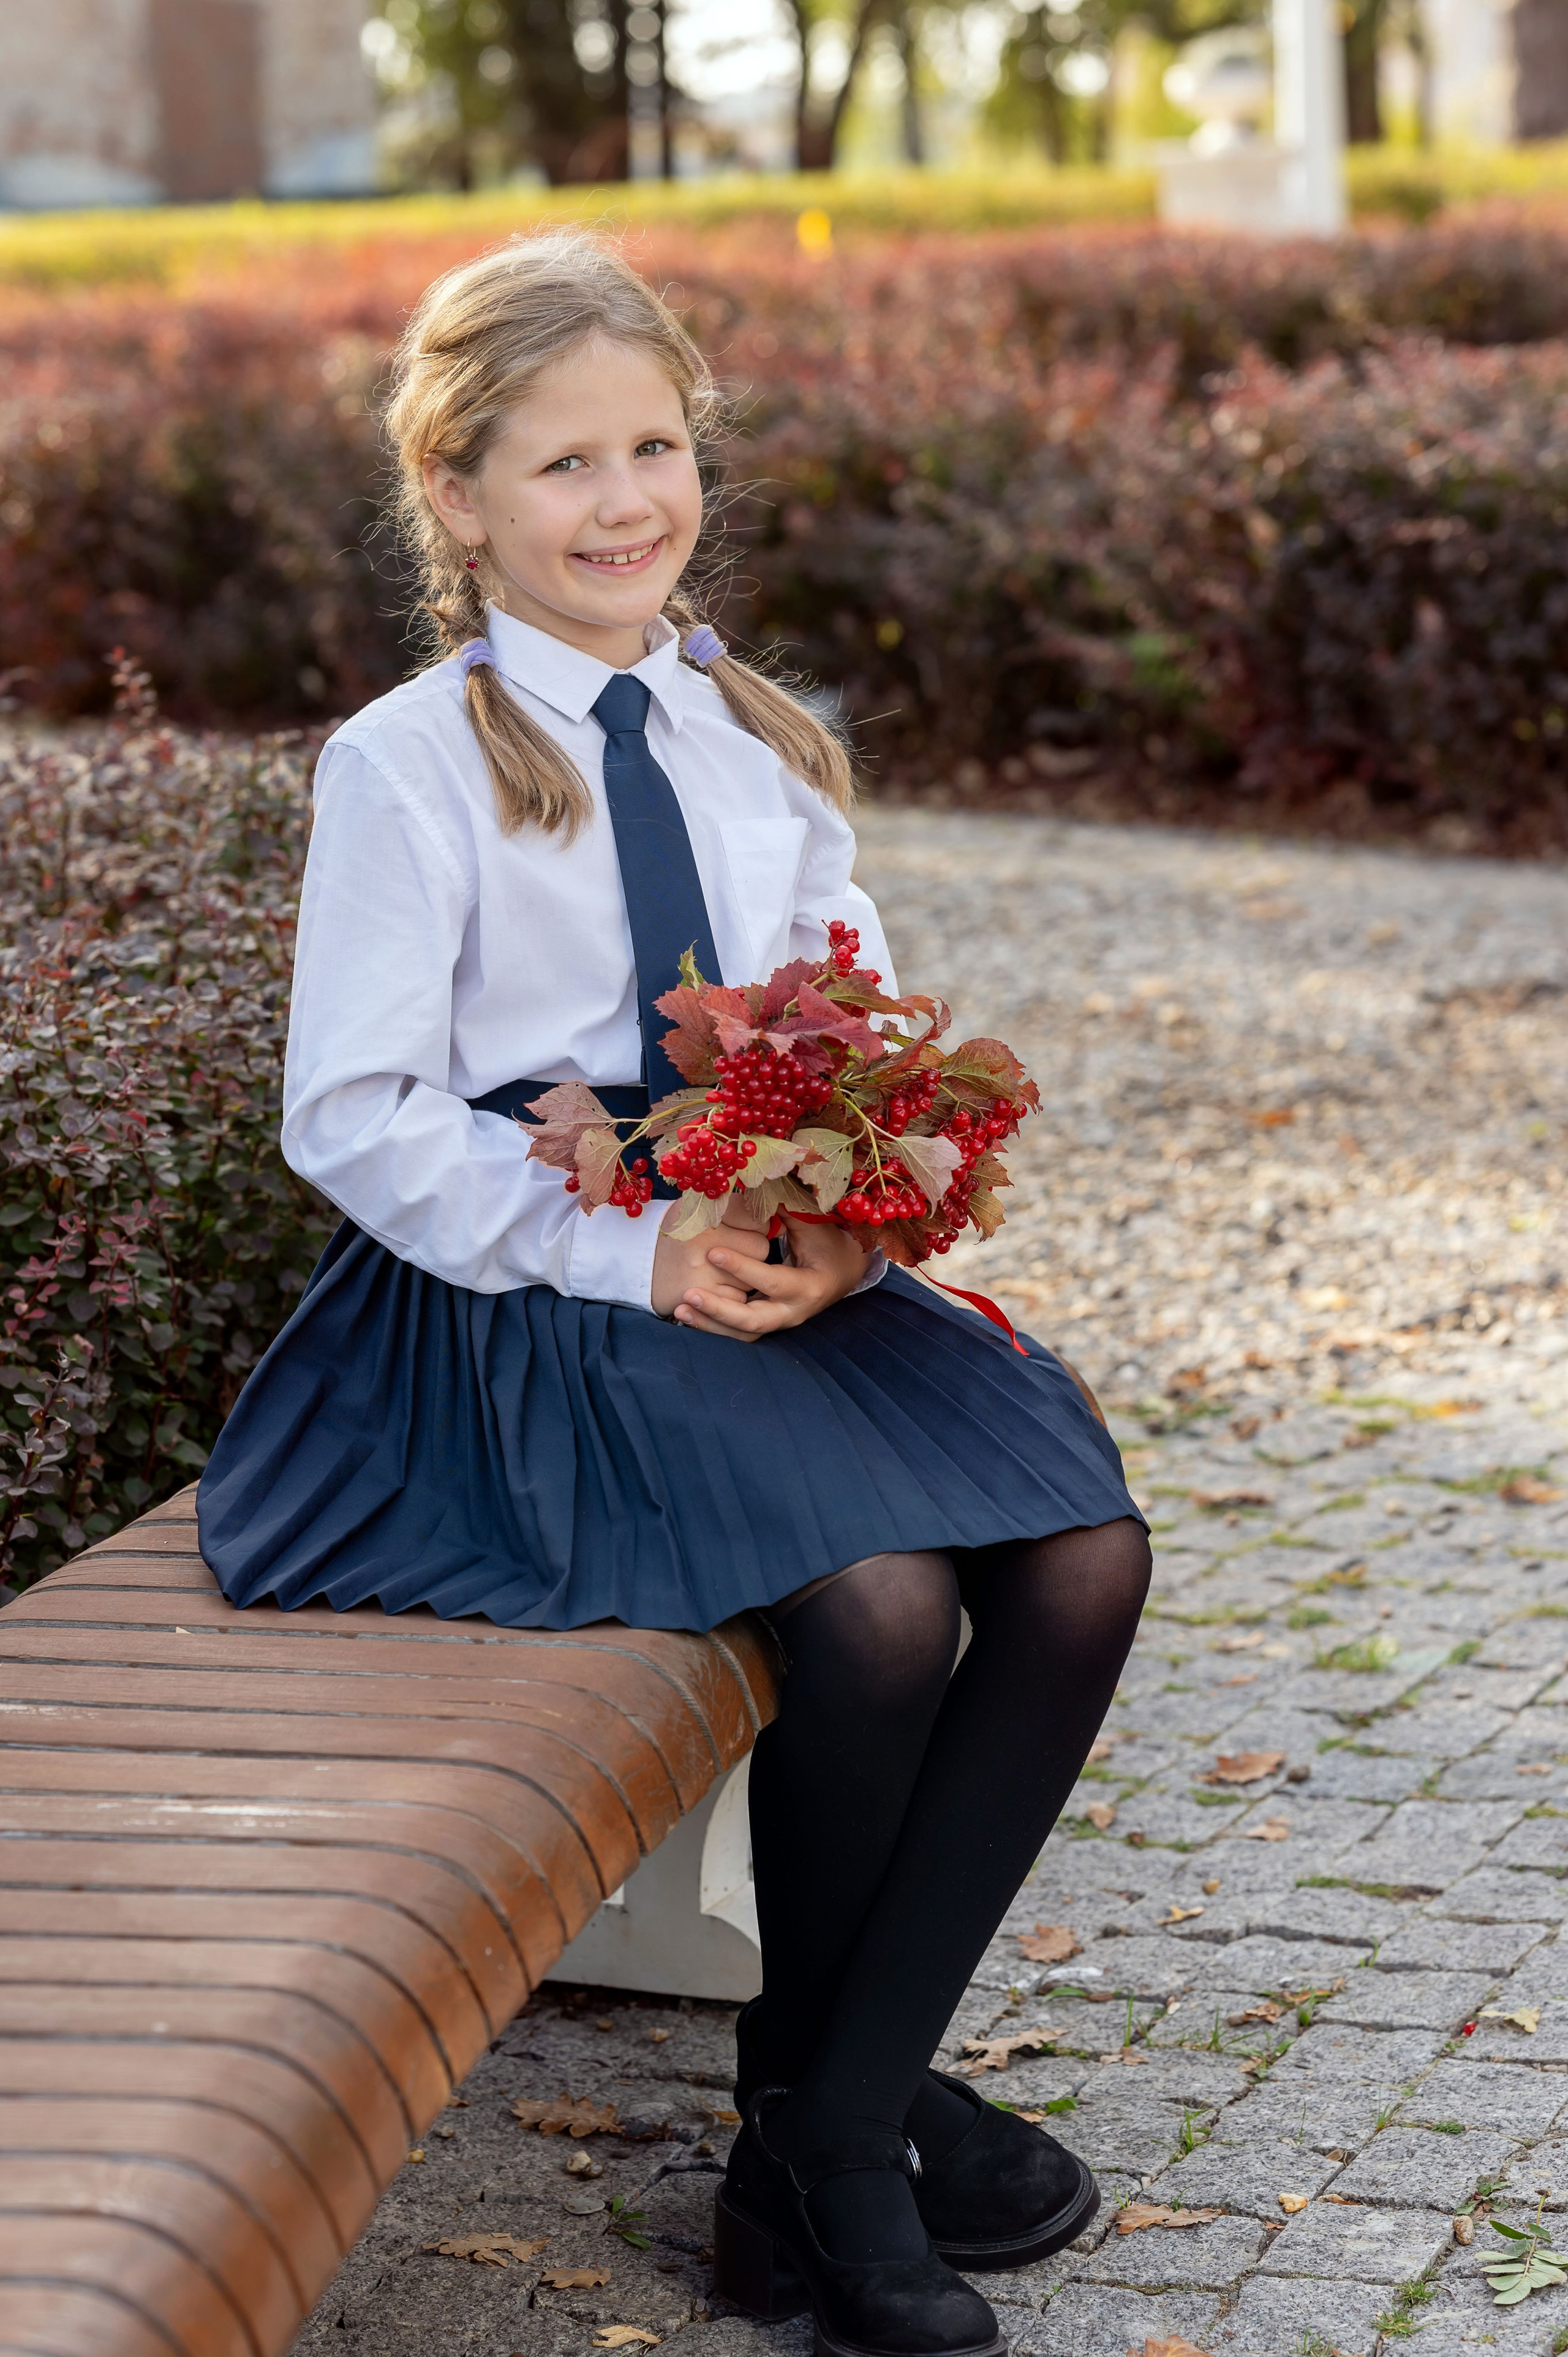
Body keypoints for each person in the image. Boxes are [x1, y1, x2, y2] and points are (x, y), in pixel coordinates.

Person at [197, 232, 1152, 2357]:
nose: (626, 501)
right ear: (457, 499)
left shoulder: (750, 736)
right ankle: (840, 2149)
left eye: (655, 446)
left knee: (1082, 1553)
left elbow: (849, 1011)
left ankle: (836, 2104)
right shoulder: (411, 764)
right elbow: (351, 1115)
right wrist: (625, 1245)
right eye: (564, 465)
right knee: (879, 1603)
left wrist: (855, 1208)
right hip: (516, 1304)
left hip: (756, 1256)